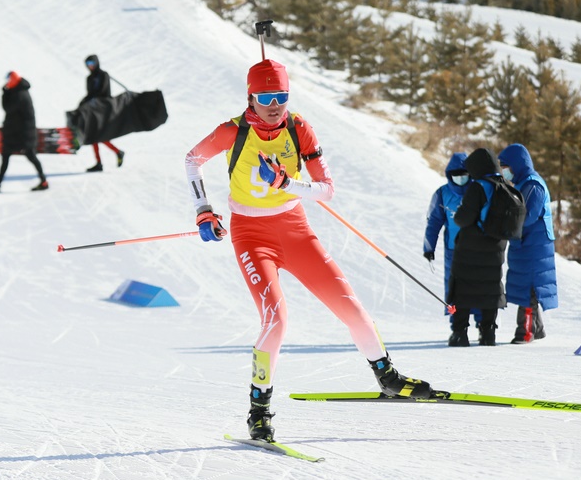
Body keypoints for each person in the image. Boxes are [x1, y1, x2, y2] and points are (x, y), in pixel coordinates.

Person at [184, 58, 434, 442]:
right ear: (250, 97)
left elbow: (327, 189)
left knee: (351, 307)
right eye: (265, 96)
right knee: (276, 319)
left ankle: (387, 377)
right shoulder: (232, 131)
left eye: (281, 96)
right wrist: (203, 210)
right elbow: (193, 160)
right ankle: (259, 410)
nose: (274, 105)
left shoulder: (299, 128)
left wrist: (287, 184)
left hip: (296, 231)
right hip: (251, 235)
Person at [446, 148, 508, 347]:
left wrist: (459, 214)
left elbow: (463, 218)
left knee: (462, 288)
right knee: (490, 288)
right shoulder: (504, 185)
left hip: (471, 247)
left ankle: (460, 333)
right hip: (496, 247)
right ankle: (488, 333)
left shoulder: (478, 187)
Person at [497, 143, 558, 344]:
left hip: (535, 247)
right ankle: (537, 328)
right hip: (527, 245)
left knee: (529, 289)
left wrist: (505, 224)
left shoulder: (533, 185)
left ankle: (525, 331)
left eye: (506, 167)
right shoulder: (523, 184)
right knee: (527, 287)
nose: (504, 171)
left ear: (516, 164)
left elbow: (526, 216)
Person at [423, 152, 482, 346]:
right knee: (454, 290)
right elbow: (434, 222)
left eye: (464, 174)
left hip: (478, 249)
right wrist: (429, 246)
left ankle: (483, 326)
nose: (460, 178)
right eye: (456, 174)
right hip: (453, 250)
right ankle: (458, 329)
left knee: (480, 287)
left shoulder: (478, 190)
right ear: (449, 174)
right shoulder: (442, 194)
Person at [0, 71, 48, 192]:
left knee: (30, 156)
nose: (7, 83)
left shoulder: (20, 94)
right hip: (17, 132)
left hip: (23, 134)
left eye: (8, 80)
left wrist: (4, 92)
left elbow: (7, 108)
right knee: (7, 155)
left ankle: (43, 181)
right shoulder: (18, 91)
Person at [81, 54, 124, 172]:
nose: (90, 66)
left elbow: (104, 91)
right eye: (88, 64)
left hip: (104, 109)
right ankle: (103, 160)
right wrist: (82, 103)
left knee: (97, 135)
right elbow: (89, 94)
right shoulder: (89, 78)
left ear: (96, 63)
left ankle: (115, 154)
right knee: (94, 135)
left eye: (92, 63)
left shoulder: (103, 75)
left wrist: (93, 100)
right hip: (93, 110)